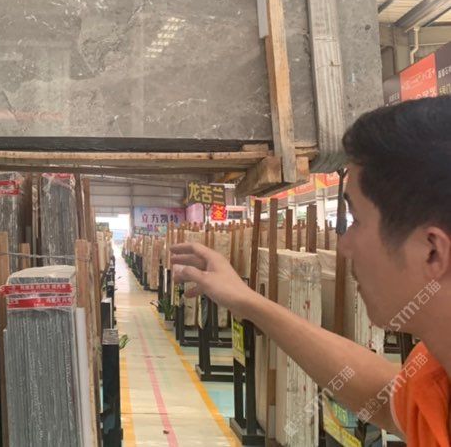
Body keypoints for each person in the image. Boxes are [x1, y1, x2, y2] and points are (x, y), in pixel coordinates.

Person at [171, 96, 451, 445]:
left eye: (356, 221)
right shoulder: (435, 374)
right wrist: (247, 301)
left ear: (431, 251)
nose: (344, 246)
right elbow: (381, 396)